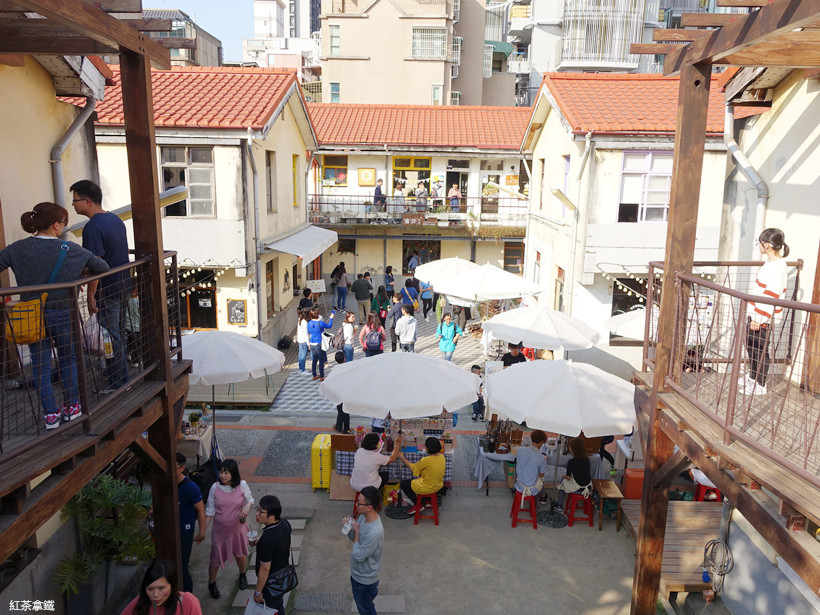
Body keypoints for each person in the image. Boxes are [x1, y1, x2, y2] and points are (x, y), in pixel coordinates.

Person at [0, 202, 109, 429]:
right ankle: (72, 408)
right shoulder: (71, 250)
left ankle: (50, 415)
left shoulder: (16, 249)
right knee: (68, 360)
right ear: (56, 225)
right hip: (63, 311)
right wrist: (79, 272)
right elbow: (102, 267)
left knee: (40, 366)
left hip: (31, 314)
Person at [70, 179, 129, 390]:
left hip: (107, 288)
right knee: (118, 334)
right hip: (123, 283)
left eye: (75, 200)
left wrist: (90, 296)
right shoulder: (115, 219)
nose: (73, 204)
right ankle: (121, 377)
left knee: (110, 336)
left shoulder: (93, 228)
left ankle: (118, 382)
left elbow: (96, 264)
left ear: (87, 201)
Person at [742, 227, 789, 396]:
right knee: (751, 345)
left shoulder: (777, 267)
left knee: (760, 349)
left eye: (759, 243)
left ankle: (760, 383)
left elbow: (771, 295)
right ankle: (753, 377)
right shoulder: (770, 263)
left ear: (767, 245)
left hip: (762, 316)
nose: (759, 246)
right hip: (756, 313)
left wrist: (758, 317)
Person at [205, 459, 254, 599]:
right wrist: (202, 531)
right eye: (221, 472)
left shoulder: (242, 485)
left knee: (240, 555)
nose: (223, 476)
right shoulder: (214, 488)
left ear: (233, 473)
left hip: (237, 529)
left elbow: (250, 500)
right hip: (219, 531)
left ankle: (243, 575)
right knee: (215, 559)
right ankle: (212, 583)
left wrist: (247, 506)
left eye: (226, 473)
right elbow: (210, 510)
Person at [345, 486, 384, 615]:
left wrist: (356, 534)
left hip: (364, 581)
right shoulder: (363, 517)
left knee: (366, 610)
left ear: (369, 507)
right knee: (364, 607)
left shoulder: (374, 532)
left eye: (359, 503)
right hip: (357, 575)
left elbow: (358, 555)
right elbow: (355, 538)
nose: (356, 505)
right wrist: (350, 527)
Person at [252, 495, 292, 614]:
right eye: (257, 509)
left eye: (261, 512)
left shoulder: (267, 540)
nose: (257, 514)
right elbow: (279, 541)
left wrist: (258, 592)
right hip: (283, 576)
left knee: (273, 608)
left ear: (272, 516)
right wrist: (260, 541)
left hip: (271, 583)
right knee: (278, 603)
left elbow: (265, 569)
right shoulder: (285, 524)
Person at [120, 559, 202, 615]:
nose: (155, 595)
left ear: (172, 585)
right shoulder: (139, 603)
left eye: (161, 588)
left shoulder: (187, 602)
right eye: (150, 589)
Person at [176, 453, 206, 594]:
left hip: (185, 531)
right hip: (169, 529)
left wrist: (202, 532)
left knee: (182, 567)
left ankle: (188, 597)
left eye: (174, 467)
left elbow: (200, 510)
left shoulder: (190, 487)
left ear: (182, 468)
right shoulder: (165, 484)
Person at [398, 437, 445, 515]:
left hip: (428, 487)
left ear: (428, 448)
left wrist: (403, 458)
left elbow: (413, 467)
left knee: (404, 484)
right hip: (438, 485)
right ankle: (427, 500)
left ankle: (418, 504)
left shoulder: (426, 460)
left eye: (425, 446)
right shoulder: (442, 457)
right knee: (421, 479)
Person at [555, 437, 592, 512]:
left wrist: (566, 477)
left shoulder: (571, 462)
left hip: (578, 487)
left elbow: (568, 477)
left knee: (563, 482)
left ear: (573, 449)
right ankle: (573, 502)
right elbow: (582, 473)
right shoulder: (587, 459)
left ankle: (559, 504)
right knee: (568, 480)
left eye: (569, 447)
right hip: (587, 486)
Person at [514, 430, 548, 498]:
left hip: (519, 484)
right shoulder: (541, 457)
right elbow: (541, 474)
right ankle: (543, 496)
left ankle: (542, 496)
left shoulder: (520, 450)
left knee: (527, 471)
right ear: (541, 442)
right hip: (531, 489)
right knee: (541, 479)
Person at [307, 306, 335, 381]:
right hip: (319, 343)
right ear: (317, 314)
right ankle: (322, 376)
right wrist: (331, 318)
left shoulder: (309, 323)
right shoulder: (320, 323)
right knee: (321, 361)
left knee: (314, 361)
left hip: (312, 343)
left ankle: (314, 375)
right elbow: (329, 326)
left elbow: (309, 332)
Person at [334, 350, 351, 433]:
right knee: (345, 411)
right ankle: (345, 428)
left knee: (340, 410)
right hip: (345, 393)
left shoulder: (335, 369)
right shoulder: (347, 368)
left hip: (337, 393)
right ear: (344, 359)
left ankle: (340, 427)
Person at [125, 286, 140, 364]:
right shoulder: (137, 302)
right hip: (137, 327)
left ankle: (127, 357)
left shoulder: (126, 301)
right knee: (136, 346)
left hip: (127, 326)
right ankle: (136, 361)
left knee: (129, 345)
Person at [296, 308, 311, 375]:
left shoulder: (300, 319)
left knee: (300, 354)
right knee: (303, 355)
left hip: (300, 339)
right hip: (304, 340)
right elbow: (306, 334)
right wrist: (308, 344)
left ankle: (300, 368)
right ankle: (303, 370)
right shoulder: (305, 322)